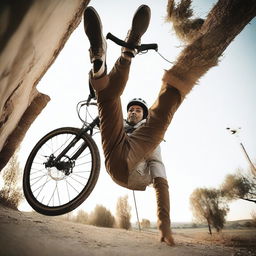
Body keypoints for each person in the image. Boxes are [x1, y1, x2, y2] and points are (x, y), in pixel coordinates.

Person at [83, 5, 184, 246]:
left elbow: (159, 177)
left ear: (143, 114)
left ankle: (172, 77)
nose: (133, 112)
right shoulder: (123, 125)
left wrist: (164, 223)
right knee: (108, 98)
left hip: (132, 168)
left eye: (138, 110)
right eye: (131, 109)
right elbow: (110, 109)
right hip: (114, 156)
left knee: (157, 126)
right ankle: (107, 58)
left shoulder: (148, 133)